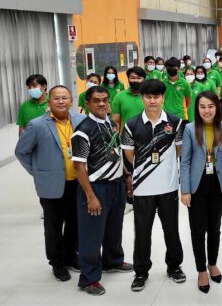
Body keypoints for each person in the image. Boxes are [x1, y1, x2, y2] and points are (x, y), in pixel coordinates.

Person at [121, 79, 186, 292]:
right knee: (142, 233)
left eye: (156, 97)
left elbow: (179, 150)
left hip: (168, 188)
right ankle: (141, 272)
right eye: (148, 97)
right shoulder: (131, 124)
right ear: (142, 98)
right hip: (143, 189)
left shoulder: (176, 122)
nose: (152, 101)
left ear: (163, 98)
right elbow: (129, 155)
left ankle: (174, 266)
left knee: (172, 230)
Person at [15, 86, 86, 281]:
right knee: (53, 226)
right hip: (52, 185)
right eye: (56, 98)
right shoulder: (37, 125)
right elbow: (21, 151)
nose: (61, 101)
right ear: (49, 101)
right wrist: (37, 172)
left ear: (71, 100)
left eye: (64, 98)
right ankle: (57, 263)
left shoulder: (81, 120)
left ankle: (71, 256)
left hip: (78, 182)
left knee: (75, 223)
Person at [71, 86, 133, 296]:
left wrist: (126, 175)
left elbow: (115, 153)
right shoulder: (83, 130)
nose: (102, 104)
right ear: (87, 103)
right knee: (92, 234)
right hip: (95, 187)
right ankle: (89, 278)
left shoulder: (112, 124)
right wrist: (90, 196)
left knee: (114, 228)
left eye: (105, 100)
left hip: (116, 185)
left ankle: (112, 260)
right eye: (96, 100)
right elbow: (79, 167)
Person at [180, 90, 222, 293]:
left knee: (214, 228)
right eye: (202, 107)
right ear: (197, 109)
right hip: (197, 185)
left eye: (211, 106)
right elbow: (185, 161)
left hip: (217, 185)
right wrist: (185, 189)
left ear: (217, 108)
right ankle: (201, 269)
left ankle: (212, 263)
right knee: (197, 230)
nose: (207, 110)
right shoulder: (190, 128)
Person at [162, 57, 192, 122]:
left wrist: (181, 110)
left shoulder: (185, 83)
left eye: (173, 67)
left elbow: (188, 101)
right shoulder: (162, 83)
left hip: (181, 116)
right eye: (168, 67)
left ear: (178, 69)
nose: (171, 69)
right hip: (166, 116)